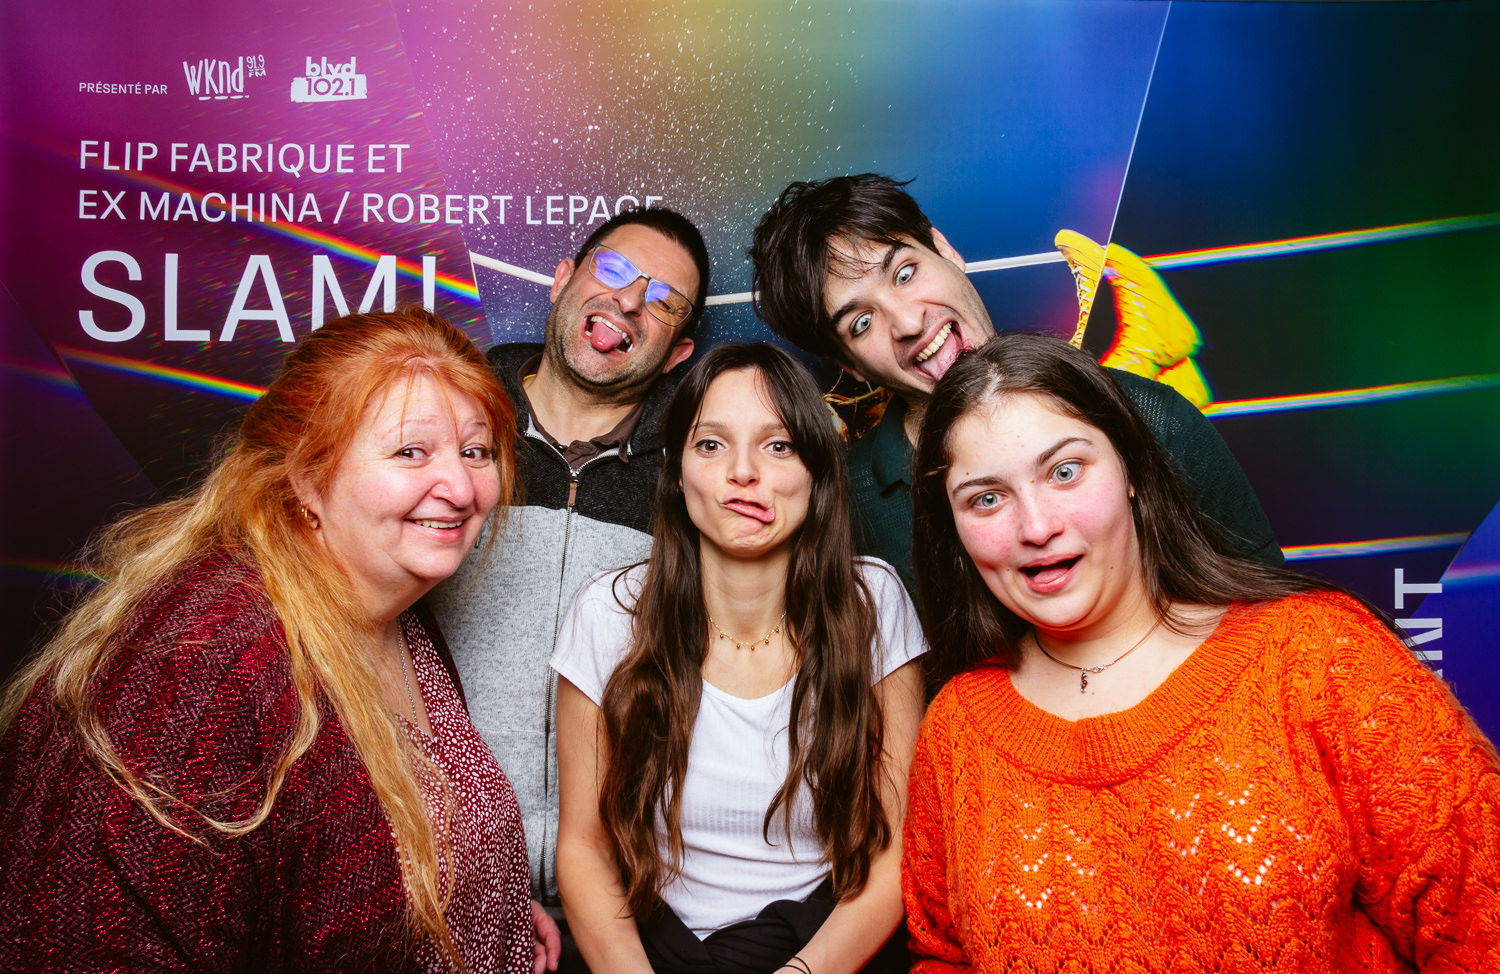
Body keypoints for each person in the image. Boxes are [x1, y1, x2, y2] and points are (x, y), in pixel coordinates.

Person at [902, 332, 1500, 971]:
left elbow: (1482, 920)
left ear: (1133, 471)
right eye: (987, 499)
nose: (1037, 526)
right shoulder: (958, 729)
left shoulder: (1317, 655)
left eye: (1065, 471)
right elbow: (943, 957)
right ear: (954, 529)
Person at [0, 310, 551, 973]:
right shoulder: (201, 665)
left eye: (476, 452)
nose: (461, 489)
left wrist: (487, 892)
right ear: (308, 475)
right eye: (411, 451)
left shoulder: (395, 599)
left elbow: (402, 825)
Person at [550, 344, 926, 974]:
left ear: (816, 470)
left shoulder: (872, 602)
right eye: (711, 445)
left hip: (824, 947)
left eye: (777, 445)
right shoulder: (609, 614)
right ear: (676, 473)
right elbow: (585, 848)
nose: (743, 472)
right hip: (652, 949)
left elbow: (897, 850)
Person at [748, 173, 1283, 592]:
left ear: (945, 250)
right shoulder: (851, 510)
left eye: (904, 273)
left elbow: (1275, 619)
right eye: (862, 322)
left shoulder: (1149, 416)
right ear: (851, 367)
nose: (908, 322)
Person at [428, 207, 710, 961]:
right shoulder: (449, 429)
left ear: (680, 351)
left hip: (632, 910)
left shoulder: (697, 475)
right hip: (440, 885)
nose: (630, 300)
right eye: (614, 269)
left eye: (664, 300)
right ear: (562, 280)